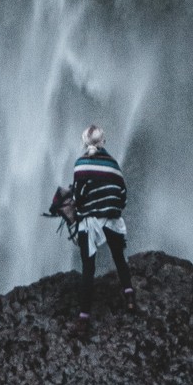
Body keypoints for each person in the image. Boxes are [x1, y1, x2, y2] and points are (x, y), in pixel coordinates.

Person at [49, 123, 132, 328]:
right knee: (120, 259)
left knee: (88, 268)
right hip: (113, 220)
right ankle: (130, 297)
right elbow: (122, 195)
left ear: (84, 142)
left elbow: (78, 196)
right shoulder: (114, 164)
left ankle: (84, 317)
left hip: (90, 222)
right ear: (103, 141)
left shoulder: (81, 164)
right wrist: (111, 208)